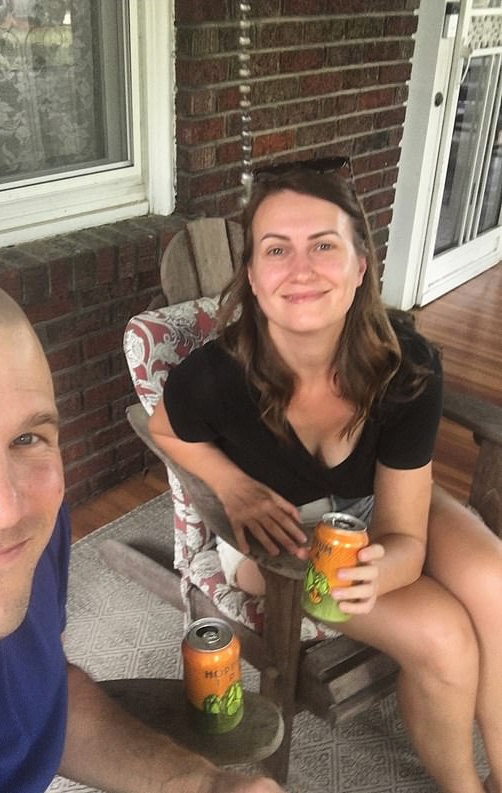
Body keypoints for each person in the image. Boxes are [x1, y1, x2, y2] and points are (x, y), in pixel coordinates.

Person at [148, 162, 502, 793]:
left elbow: (402, 533)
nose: (301, 268)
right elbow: (165, 430)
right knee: (445, 638)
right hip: (278, 544)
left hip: (374, 506)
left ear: (360, 266)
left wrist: (388, 566)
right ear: (253, 276)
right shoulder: (214, 376)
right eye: (277, 249)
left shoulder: (406, 365)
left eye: (324, 246)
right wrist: (232, 485)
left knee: (494, 583)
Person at [0, 262, 283, 793]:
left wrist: (200, 785)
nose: (4, 508)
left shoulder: (35, 535)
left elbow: (45, 692)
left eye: (27, 439)